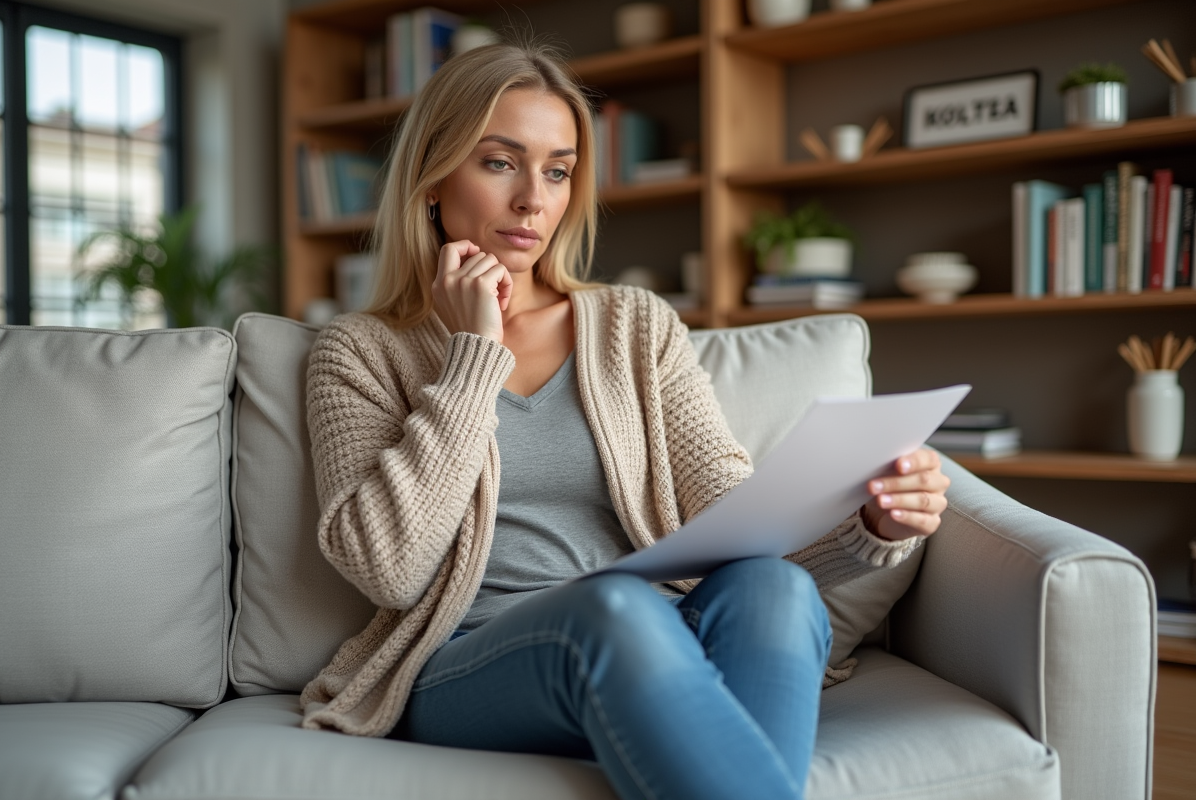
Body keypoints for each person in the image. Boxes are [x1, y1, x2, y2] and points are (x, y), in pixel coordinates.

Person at [299, 41, 950, 800]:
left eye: (558, 170)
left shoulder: (635, 327)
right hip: (471, 664)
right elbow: (391, 569)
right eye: (500, 162)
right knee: (612, 606)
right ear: (434, 179)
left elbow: (737, 529)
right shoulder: (359, 350)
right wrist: (473, 355)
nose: (533, 201)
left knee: (772, 588)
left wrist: (872, 527)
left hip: (658, 640)